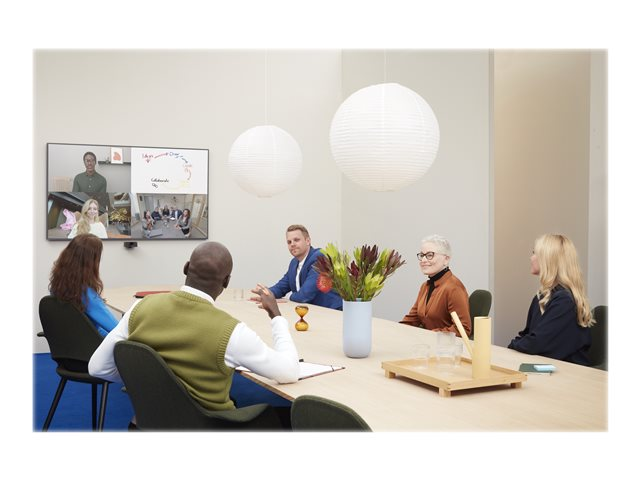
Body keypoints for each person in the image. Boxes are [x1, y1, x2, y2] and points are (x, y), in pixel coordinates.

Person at [88, 241, 299, 418]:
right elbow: (289, 372)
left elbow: (97, 368)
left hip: (152, 420)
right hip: (210, 427)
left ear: (186, 267)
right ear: (226, 281)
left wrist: (145, 382)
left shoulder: (140, 307)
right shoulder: (232, 332)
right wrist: (277, 317)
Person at [508, 234, 593, 365]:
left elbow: (535, 344)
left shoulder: (564, 301)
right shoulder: (542, 297)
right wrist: (516, 345)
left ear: (547, 259)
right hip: (547, 366)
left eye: (534, 253)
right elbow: (527, 336)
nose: (531, 258)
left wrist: (514, 345)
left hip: (569, 372)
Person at [256, 224, 342, 310]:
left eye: (296, 240)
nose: (292, 244)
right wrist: (266, 295)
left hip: (332, 312)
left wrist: (287, 298)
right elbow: (281, 287)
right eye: (289, 242)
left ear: (308, 241)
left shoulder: (319, 258)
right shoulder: (294, 263)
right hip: (313, 311)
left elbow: (304, 295)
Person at [401, 234, 471, 336]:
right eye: (422, 255)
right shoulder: (425, 286)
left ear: (446, 259)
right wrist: (394, 330)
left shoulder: (454, 288)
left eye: (430, 255)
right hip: (428, 342)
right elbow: (413, 319)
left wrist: (430, 335)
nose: (423, 260)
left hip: (444, 345)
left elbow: (463, 328)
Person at [49, 233, 118, 337]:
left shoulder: (57, 287)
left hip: (74, 340)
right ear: (90, 262)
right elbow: (115, 328)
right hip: (94, 343)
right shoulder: (86, 294)